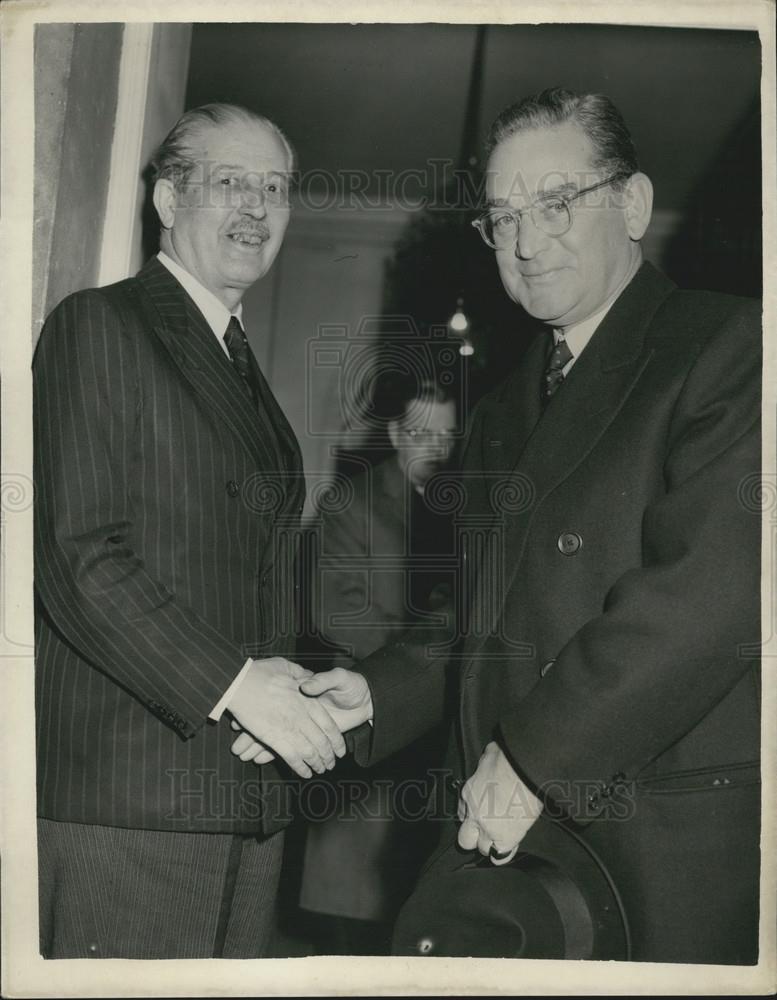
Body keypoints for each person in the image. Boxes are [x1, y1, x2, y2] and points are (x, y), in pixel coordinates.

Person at [297, 88, 762, 963]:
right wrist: (376, 693)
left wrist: (534, 757)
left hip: (652, 841)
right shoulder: (507, 405)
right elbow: (488, 614)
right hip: (505, 846)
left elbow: (714, 595)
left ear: (631, 204)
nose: (523, 239)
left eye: (555, 204)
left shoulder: (728, 344)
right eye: (501, 215)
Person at [33, 103, 355, 959]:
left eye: (276, 189)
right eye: (230, 182)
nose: (257, 207)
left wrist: (287, 685)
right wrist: (240, 686)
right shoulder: (99, 325)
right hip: (130, 802)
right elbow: (78, 557)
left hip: (245, 801)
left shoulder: (241, 370)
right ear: (168, 202)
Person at [296, 379, 457, 950]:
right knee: (350, 916)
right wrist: (423, 668)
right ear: (394, 433)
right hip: (368, 731)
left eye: (446, 435)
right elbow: (337, 617)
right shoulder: (352, 504)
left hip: (444, 740)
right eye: (420, 434)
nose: (434, 448)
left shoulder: (465, 508)